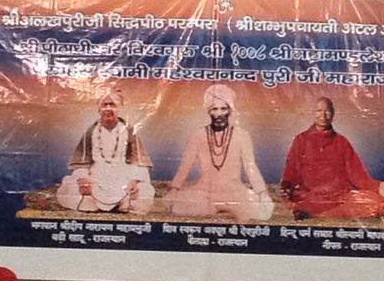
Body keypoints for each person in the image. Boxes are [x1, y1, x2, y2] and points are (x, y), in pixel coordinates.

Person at [166, 84, 273, 222]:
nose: (219, 114)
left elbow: (250, 167)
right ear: (209, 111)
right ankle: (215, 208)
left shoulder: (242, 135)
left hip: (234, 192)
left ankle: (227, 207)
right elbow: (185, 165)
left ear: (230, 110)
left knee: (262, 212)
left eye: (223, 109)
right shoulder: (198, 135)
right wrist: (174, 188)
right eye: (214, 109)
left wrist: (262, 193)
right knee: (178, 206)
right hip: (205, 192)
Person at [279, 97, 384, 219]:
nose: (323, 115)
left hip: (340, 198)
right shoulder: (301, 140)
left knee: (376, 202)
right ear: (313, 113)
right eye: (319, 110)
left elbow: (357, 176)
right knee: (302, 201)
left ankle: (318, 216)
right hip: (310, 197)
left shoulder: (342, 142)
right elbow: (290, 171)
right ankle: (313, 212)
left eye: (327, 111)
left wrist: (378, 186)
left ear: (333, 114)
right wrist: (286, 187)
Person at [57, 85, 155, 213]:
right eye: (104, 105)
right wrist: (83, 180)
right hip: (96, 179)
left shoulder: (129, 131)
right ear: (99, 109)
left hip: (124, 178)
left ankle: (123, 203)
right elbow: (82, 162)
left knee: (144, 192)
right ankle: (103, 204)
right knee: (71, 189)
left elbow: (138, 161)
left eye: (112, 105)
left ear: (119, 108)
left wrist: (134, 181)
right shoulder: (91, 132)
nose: (108, 109)